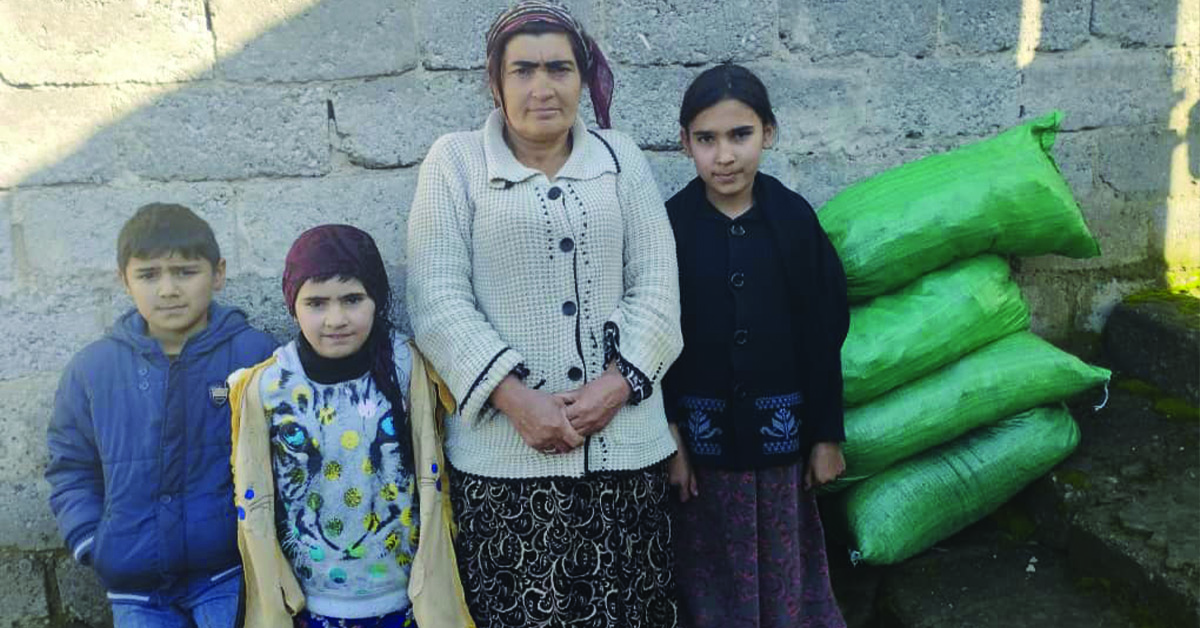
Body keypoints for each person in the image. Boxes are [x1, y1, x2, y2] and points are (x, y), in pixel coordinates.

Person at [405, 2, 683, 626]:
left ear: (583, 79)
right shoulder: (455, 163)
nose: (542, 87)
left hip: (625, 456)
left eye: (559, 68)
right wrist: (516, 400)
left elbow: (659, 288)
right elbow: (436, 298)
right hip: (505, 465)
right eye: (523, 70)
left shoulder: (620, 158)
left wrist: (615, 388)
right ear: (495, 83)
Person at [662, 64, 850, 628]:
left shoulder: (793, 221)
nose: (724, 156)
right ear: (685, 144)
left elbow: (824, 334)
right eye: (707, 139)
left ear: (768, 133)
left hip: (781, 451)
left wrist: (825, 435)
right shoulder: (668, 227)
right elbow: (654, 340)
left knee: (782, 567)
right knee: (708, 571)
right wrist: (671, 435)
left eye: (740, 135)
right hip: (702, 450)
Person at [227, 224, 472, 628]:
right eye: (317, 303)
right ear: (293, 305)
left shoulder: (407, 368)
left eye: (352, 299)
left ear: (377, 299)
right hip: (312, 604)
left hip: (408, 599)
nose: (336, 319)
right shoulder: (268, 387)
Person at [45, 203, 278, 626]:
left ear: (218, 273)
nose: (168, 290)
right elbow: (70, 467)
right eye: (149, 275)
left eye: (186, 272)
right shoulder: (93, 370)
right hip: (136, 589)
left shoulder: (255, 356)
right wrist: (92, 541)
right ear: (124, 280)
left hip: (229, 575)